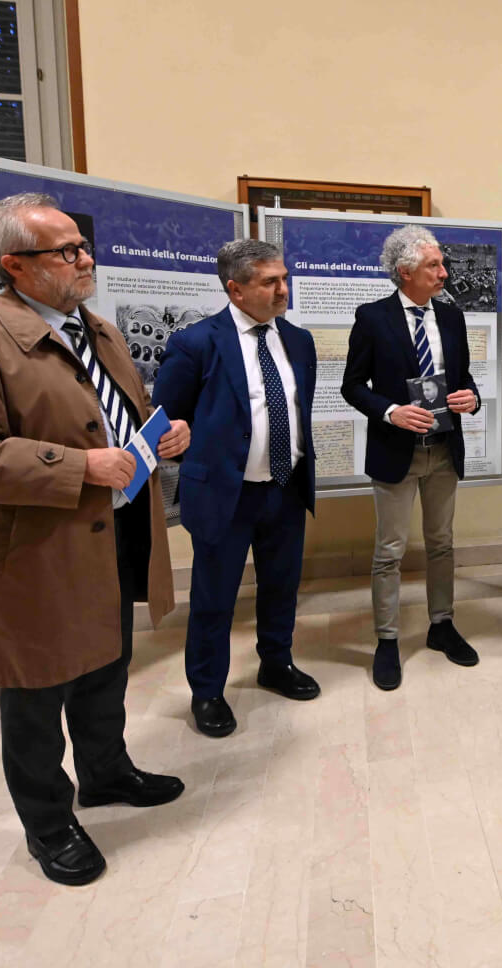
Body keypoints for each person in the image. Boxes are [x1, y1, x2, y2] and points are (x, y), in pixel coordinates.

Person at [0, 192, 191, 887]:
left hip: (111, 531)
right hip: (34, 553)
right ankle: (49, 824)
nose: (85, 259)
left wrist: (163, 431)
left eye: (83, 246)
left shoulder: (100, 331)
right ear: (14, 264)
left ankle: (106, 772)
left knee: (105, 666)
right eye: (66, 251)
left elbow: (115, 412)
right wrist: (78, 467)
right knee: (36, 693)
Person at [153, 239, 320, 739]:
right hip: (226, 495)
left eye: (284, 278)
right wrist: (182, 444)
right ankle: (207, 691)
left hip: (285, 488)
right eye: (270, 282)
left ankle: (276, 663)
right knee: (214, 598)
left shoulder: (299, 340)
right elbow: (168, 420)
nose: (283, 290)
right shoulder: (196, 343)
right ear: (236, 289)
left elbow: (298, 407)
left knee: (282, 586)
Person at [341, 225, 482, 690]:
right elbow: (352, 386)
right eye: (433, 266)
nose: (444, 273)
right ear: (405, 272)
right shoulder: (372, 318)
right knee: (390, 550)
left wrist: (471, 399)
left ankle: (442, 624)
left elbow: (465, 379)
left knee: (442, 543)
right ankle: (387, 640)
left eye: (442, 264)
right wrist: (391, 412)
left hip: (443, 450)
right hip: (395, 451)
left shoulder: (452, 317)